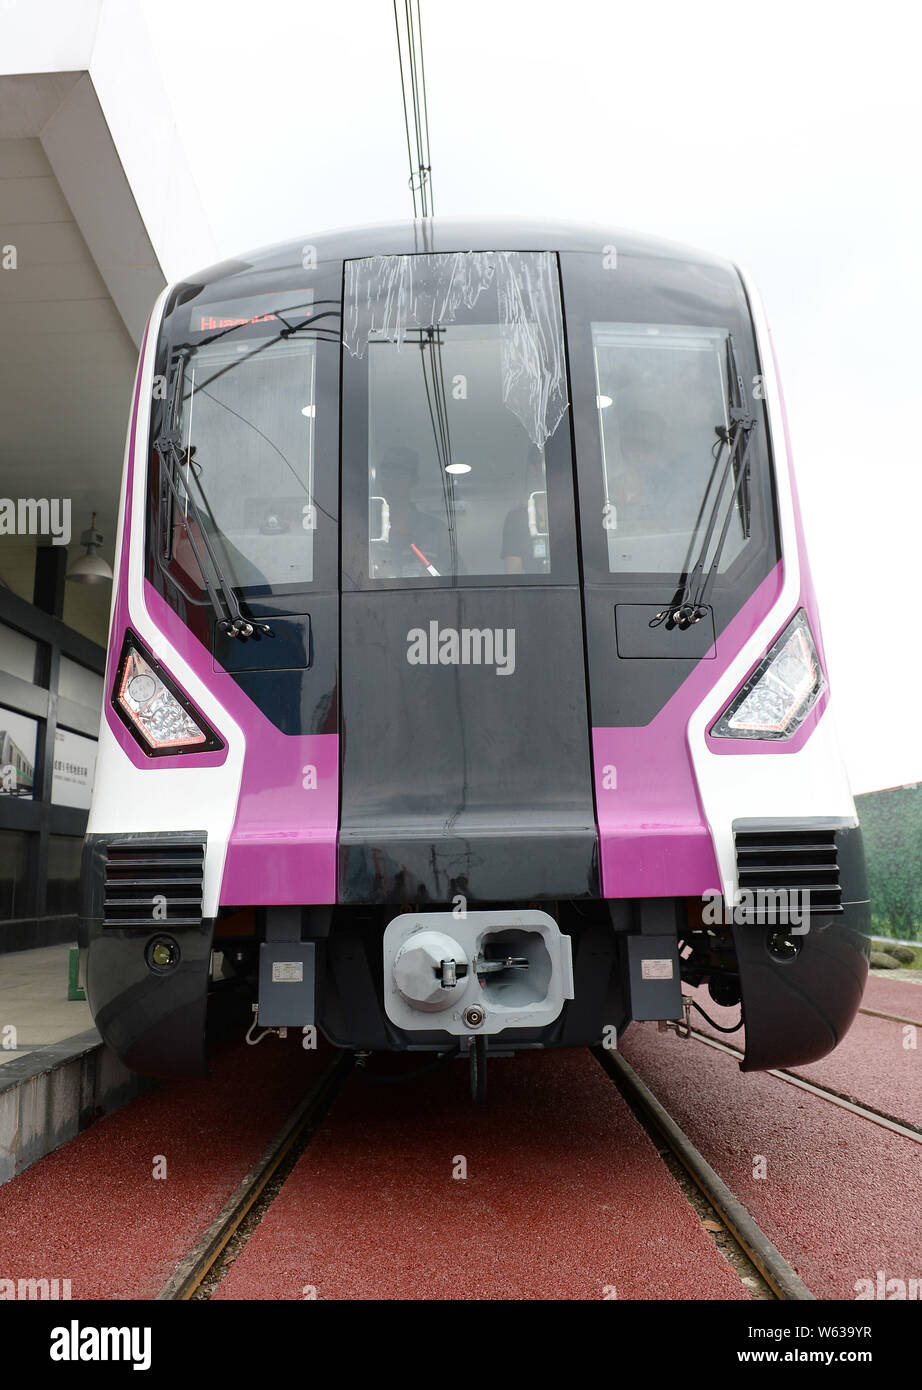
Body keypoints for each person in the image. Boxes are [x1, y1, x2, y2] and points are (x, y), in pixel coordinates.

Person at [372, 445, 454, 578]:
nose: (391, 482)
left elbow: (456, 578)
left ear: (414, 481)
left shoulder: (436, 530)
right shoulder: (366, 528)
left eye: (399, 476)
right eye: (387, 475)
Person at [611, 410, 673, 526]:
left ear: (659, 450)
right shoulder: (608, 490)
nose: (640, 456)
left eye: (647, 448)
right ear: (624, 449)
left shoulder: (672, 489)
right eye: (635, 448)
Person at [501, 445, 550, 574]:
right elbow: (513, 573)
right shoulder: (516, 519)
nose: (549, 468)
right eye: (543, 462)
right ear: (533, 470)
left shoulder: (575, 514)